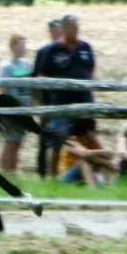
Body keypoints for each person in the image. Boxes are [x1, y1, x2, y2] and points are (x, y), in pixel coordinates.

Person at [35, 14, 96, 178]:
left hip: (84, 101)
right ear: (64, 29)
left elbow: (91, 71)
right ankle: (53, 177)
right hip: (61, 102)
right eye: (72, 27)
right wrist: (43, 105)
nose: (76, 30)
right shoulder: (52, 50)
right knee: (56, 140)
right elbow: (41, 77)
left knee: (87, 137)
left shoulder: (86, 48)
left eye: (77, 27)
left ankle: (85, 175)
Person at [0, 34, 32, 174]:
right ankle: (6, 171)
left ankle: (13, 171)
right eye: (21, 45)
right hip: (11, 109)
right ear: (13, 47)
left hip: (24, 108)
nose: (24, 48)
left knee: (18, 142)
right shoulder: (6, 66)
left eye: (25, 45)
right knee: (10, 141)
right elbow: (2, 88)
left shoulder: (27, 64)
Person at [60, 118, 116, 187]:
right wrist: (105, 157)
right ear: (88, 132)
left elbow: (107, 156)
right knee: (83, 161)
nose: (95, 133)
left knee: (102, 160)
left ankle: (109, 186)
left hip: (84, 175)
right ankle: (93, 189)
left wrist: (105, 161)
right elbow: (84, 154)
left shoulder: (93, 141)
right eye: (94, 130)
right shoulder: (71, 141)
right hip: (67, 178)